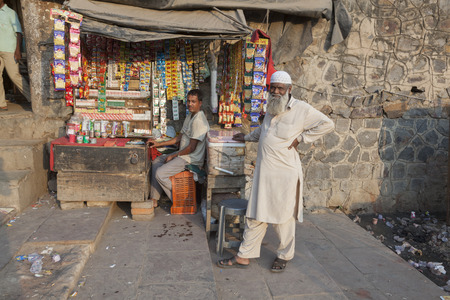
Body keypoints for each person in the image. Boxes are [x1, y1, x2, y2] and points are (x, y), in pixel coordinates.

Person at [217, 71, 334, 272]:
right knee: (256, 215)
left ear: (289, 90)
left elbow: (328, 124)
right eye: (273, 88)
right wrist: (245, 138)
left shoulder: (302, 109)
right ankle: (245, 255)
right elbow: (264, 130)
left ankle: (284, 255)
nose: (276, 91)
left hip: (285, 174)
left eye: (281, 88)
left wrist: (302, 139)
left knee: (283, 219)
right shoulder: (271, 107)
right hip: (264, 174)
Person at [148, 89, 209, 207]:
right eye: (188, 101)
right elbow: (179, 138)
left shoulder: (199, 121)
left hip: (191, 159)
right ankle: (154, 199)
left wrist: (173, 155)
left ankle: (181, 200)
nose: (190, 104)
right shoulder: (190, 116)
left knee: (160, 174)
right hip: (182, 154)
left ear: (200, 103)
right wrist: (158, 144)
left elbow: (191, 148)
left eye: (193, 102)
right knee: (156, 162)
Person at [0, 0, 31, 111]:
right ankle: (1, 103)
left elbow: (18, 32)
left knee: (14, 75)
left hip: (9, 50)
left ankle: (31, 98)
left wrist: (17, 50)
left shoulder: (10, 13)